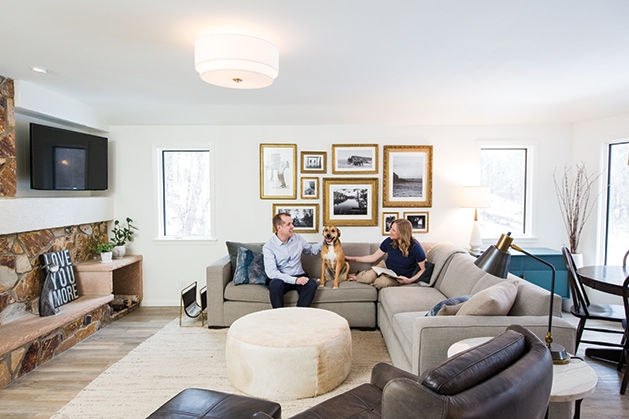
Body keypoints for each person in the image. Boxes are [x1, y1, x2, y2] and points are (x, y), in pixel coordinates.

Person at [345, 219, 426, 289]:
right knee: (368, 277)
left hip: (398, 277)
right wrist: (352, 259)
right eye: (391, 228)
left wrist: (409, 280)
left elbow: (423, 269)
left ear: (402, 233)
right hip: (386, 268)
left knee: (380, 283)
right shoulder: (389, 241)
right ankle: (358, 276)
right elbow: (373, 257)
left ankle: (375, 278)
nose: (390, 231)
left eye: (393, 230)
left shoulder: (415, 247)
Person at [263, 213, 323, 308]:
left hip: (299, 274)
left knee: (311, 284)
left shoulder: (297, 238)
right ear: (279, 228)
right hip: (281, 278)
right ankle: (280, 317)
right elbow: (272, 273)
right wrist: (295, 280)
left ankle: (298, 314)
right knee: (275, 285)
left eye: (292, 223)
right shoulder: (269, 246)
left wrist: (325, 242)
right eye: (288, 224)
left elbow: (311, 250)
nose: (292, 226)